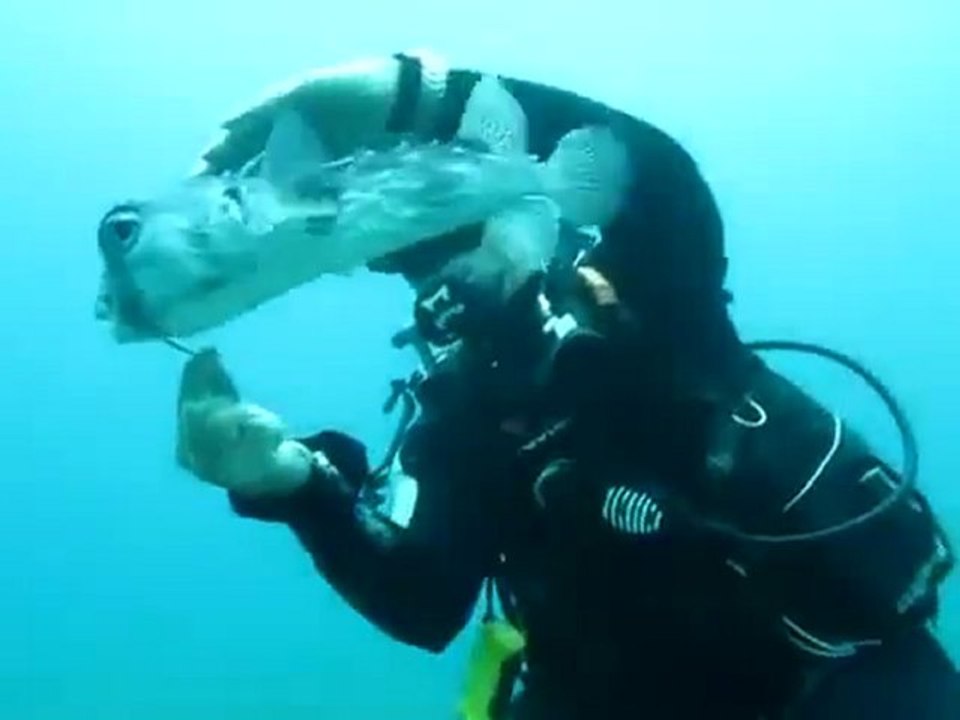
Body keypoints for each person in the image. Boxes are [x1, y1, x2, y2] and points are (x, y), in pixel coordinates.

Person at [177, 51, 960, 719]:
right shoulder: (458, 424)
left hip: (838, 685)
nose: (451, 276)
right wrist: (289, 482)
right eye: (418, 260)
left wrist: (417, 94)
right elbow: (420, 601)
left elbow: (658, 175)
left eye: (464, 230)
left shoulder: (649, 302)